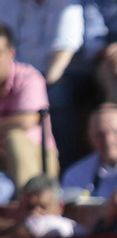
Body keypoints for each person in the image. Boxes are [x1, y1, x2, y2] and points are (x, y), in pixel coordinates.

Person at [0, 0, 83, 160]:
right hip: (13, 74)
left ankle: (64, 163)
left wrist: (38, 87)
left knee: (57, 97)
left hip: (51, 77)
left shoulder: (67, 5)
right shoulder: (8, 3)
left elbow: (65, 49)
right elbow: (4, 40)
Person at [0, 24, 59, 187]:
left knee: (14, 139)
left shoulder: (29, 78)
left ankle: (31, 205)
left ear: (12, 53)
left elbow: (27, 120)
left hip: (36, 160)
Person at [14, 173, 83, 237]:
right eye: (30, 207)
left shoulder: (73, 232)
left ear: (60, 207)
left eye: (43, 207)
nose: (35, 213)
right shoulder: (14, 233)